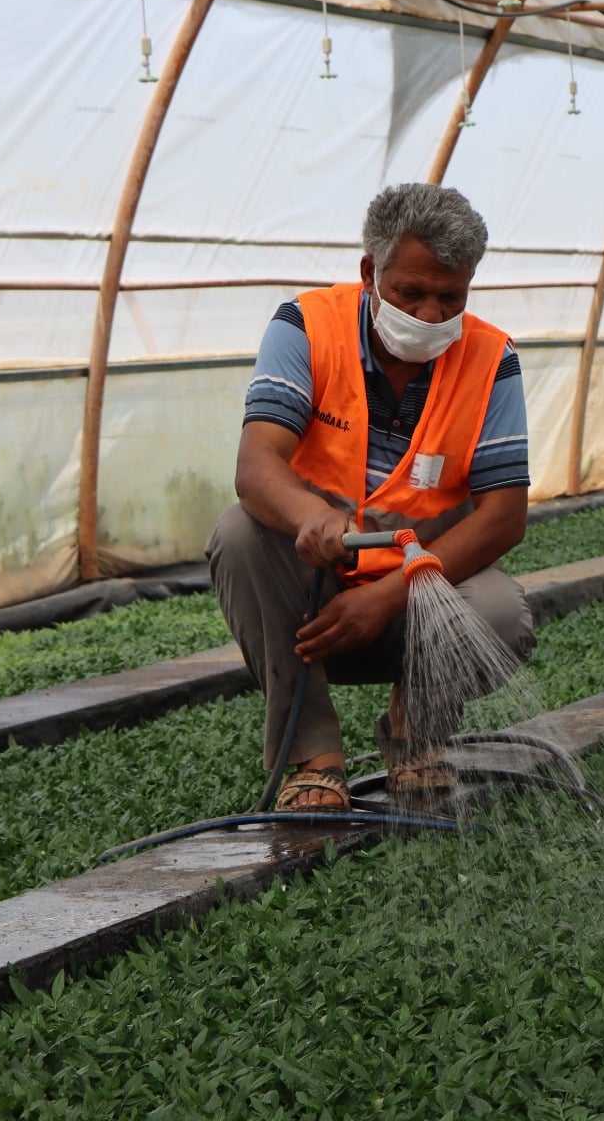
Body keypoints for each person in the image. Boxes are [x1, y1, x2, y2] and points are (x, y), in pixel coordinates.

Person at [205, 183, 533, 812]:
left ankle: (416, 737)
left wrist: (388, 596)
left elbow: (503, 516)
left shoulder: (493, 358)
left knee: (501, 614)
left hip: (416, 596)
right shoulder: (306, 325)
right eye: (411, 294)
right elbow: (257, 463)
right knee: (238, 533)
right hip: (316, 597)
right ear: (370, 272)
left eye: (450, 297)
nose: (432, 315)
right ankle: (313, 760)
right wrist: (311, 517)